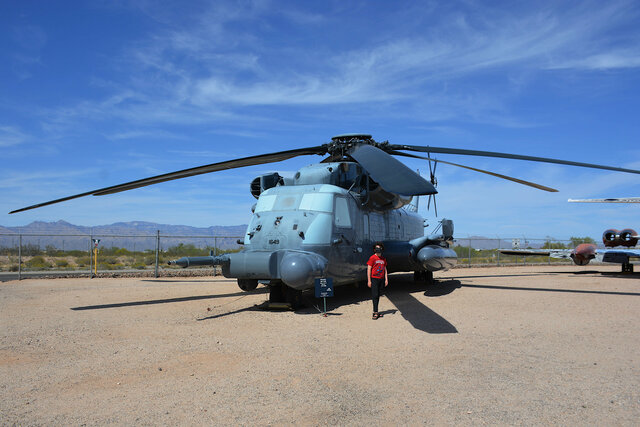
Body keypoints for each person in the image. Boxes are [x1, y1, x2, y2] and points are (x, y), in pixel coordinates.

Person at [367, 242, 388, 320]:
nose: (378, 250)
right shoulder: (372, 258)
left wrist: (386, 279)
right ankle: (375, 312)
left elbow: (385, 269)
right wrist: (369, 281)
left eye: (380, 248)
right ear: (374, 250)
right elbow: (369, 269)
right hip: (374, 279)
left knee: (378, 295)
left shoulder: (383, 259)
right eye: (377, 248)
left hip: (381, 279)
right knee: (375, 295)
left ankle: (377, 311)